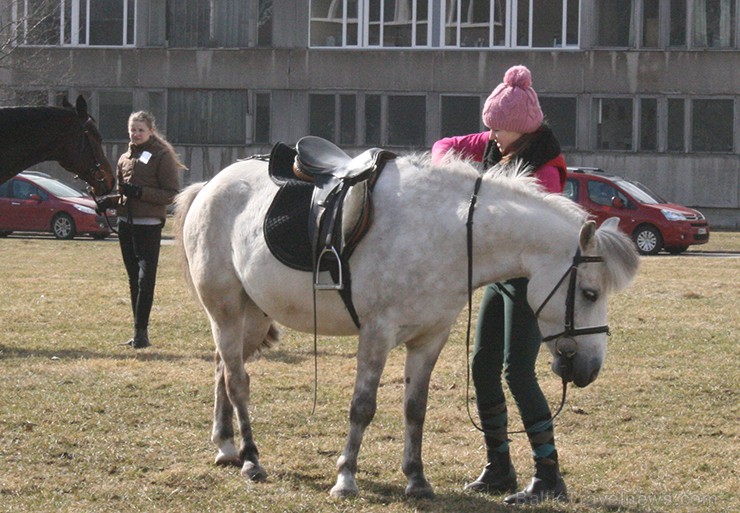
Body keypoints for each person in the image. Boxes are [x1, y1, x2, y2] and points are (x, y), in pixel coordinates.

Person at [431, 65, 568, 505]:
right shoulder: (494, 139)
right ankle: (499, 468)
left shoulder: (545, 169)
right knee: (481, 367)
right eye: (488, 127)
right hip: (499, 278)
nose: (489, 137)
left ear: (519, 131)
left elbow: (529, 230)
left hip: (532, 281)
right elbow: (445, 146)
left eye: (497, 130)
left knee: (518, 372)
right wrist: (450, 173)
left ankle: (549, 475)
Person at [97, 111, 184, 349]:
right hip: (126, 224)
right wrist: (109, 201)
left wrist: (140, 192)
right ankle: (137, 331)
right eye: (132, 130)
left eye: (140, 130)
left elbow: (170, 194)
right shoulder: (124, 157)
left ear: (150, 131)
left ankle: (142, 332)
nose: (136, 134)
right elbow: (126, 196)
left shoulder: (161, 155)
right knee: (133, 278)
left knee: (146, 279)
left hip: (149, 225)